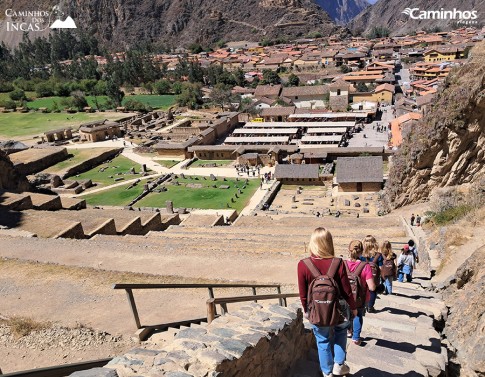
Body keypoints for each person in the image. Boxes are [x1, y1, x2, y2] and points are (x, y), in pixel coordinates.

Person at [298, 228, 357, 377]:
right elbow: (346, 290)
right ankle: (339, 364)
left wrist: (306, 310)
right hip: (339, 309)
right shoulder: (338, 263)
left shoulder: (303, 264)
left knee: (322, 340)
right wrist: (354, 308)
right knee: (341, 332)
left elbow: (303, 293)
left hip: (317, 310)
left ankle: (327, 372)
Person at [346, 240, 375, 346]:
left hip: (345, 296)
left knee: (347, 313)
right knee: (358, 315)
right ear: (361, 251)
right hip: (360, 298)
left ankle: (348, 331)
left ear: (348, 250)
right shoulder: (365, 266)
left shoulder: (343, 264)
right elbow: (372, 287)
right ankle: (356, 338)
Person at [361, 235, 383, 313]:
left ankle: (362, 305)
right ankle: (370, 307)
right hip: (374, 277)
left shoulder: (361, 255)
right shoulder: (378, 255)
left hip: (363, 276)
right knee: (373, 291)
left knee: (363, 290)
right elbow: (380, 268)